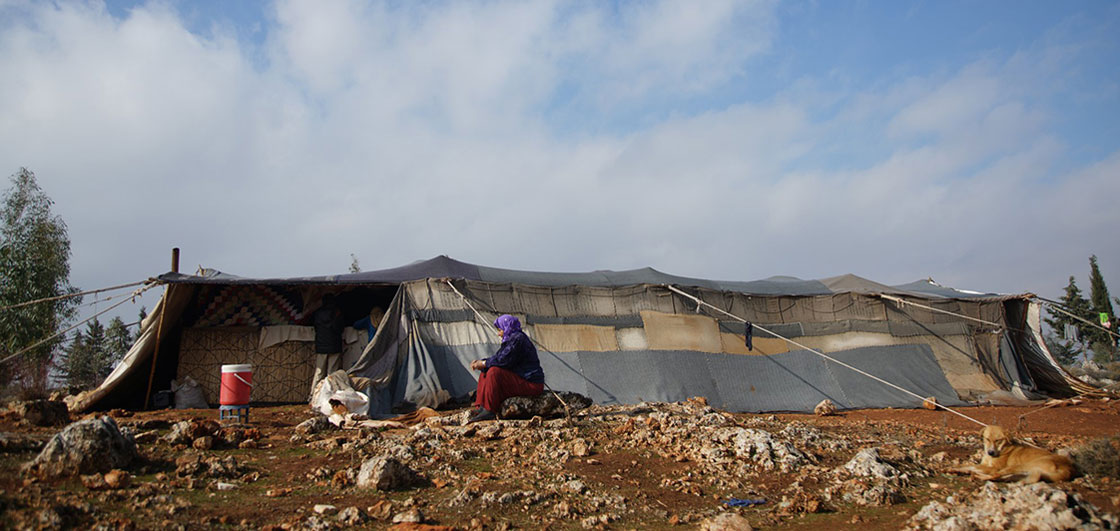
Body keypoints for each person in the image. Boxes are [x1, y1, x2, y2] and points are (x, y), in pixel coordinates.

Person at [467, 314, 545, 423]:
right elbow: (498, 357)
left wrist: (484, 363)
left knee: (494, 372)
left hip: (530, 383)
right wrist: (482, 363)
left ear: (507, 328)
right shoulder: (511, 339)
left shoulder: (518, 339)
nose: (499, 334)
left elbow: (504, 360)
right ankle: (481, 405)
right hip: (520, 379)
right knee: (486, 370)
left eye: (500, 330)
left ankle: (490, 410)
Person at [310, 293, 345, 395]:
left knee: (319, 372)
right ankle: (329, 395)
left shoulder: (317, 313)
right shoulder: (337, 313)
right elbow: (339, 328)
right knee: (332, 373)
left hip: (321, 345)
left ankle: (313, 395)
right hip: (334, 345)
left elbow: (316, 328)